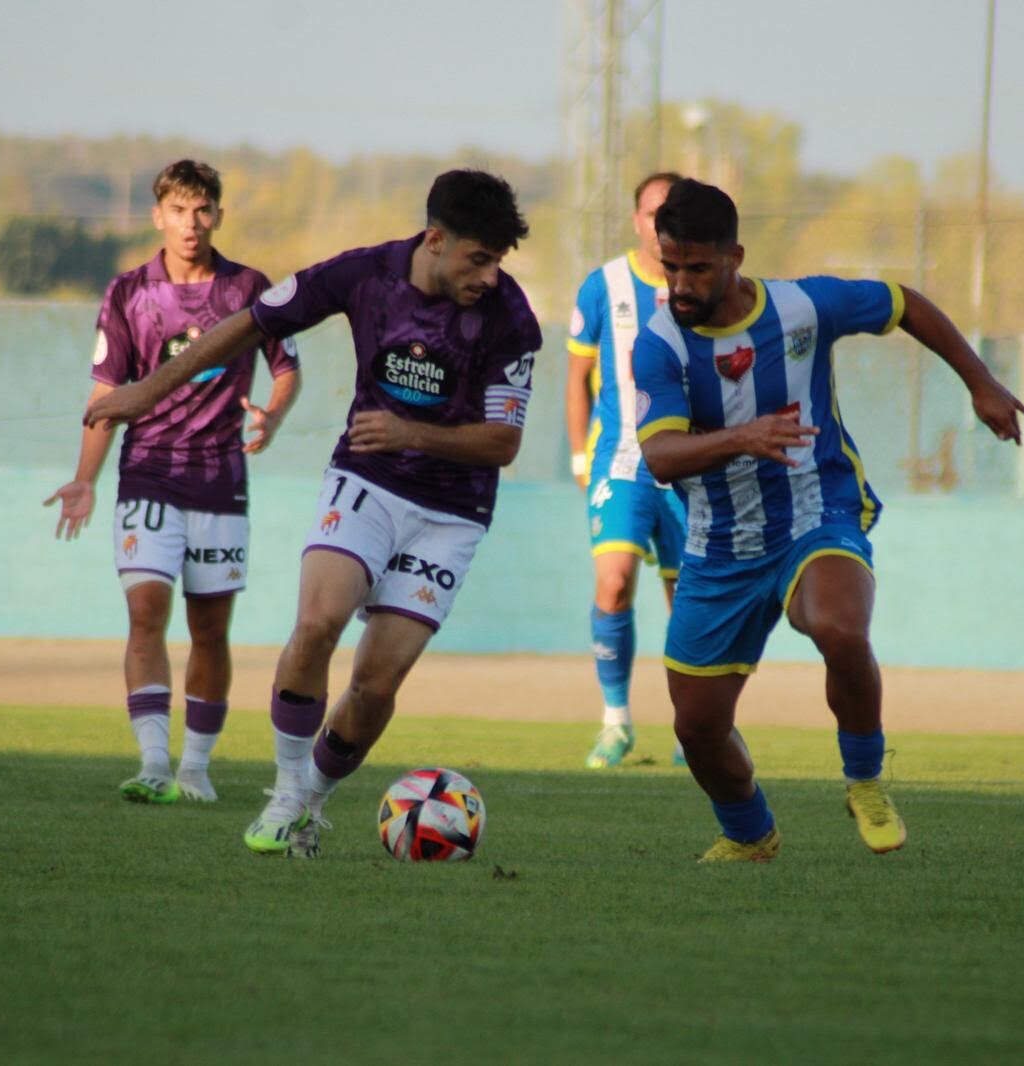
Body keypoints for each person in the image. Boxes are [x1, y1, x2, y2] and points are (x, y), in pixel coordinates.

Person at [85, 169, 541, 857]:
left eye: (498, 261)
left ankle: (311, 803)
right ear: (436, 239)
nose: (488, 276)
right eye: (478, 259)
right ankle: (287, 789)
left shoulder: (511, 320)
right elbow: (247, 325)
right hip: (366, 481)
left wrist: (412, 433)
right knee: (318, 622)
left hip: (452, 514)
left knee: (374, 684)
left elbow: (504, 443)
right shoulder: (364, 276)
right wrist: (146, 392)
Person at [632, 179, 1024, 862]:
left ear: (735, 257)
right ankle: (751, 833)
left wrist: (980, 381)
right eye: (671, 267)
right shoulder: (661, 342)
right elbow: (661, 456)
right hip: (720, 545)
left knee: (838, 625)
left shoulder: (804, 307)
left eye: (698, 268)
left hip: (818, 510)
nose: (682, 283)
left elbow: (904, 303)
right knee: (697, 728)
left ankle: (865, 780)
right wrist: (743, 437)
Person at [45, 159, 299, 805]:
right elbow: (108, 392)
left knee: (211, 630)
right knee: (146, 614)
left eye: (204, 210)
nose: (193, 223)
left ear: (218, 214)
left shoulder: (249, 289)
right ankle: (155, 762)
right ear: (158, 216)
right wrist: (84, 478)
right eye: (180, 211)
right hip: (148, 474)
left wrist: (272, 413)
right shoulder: (129, 292)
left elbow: (287, 366)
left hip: (220, 484)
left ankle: (196, 766)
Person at [565, 171, 690, 769]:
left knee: (690, 601)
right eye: (651, 212)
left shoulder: (707, 282)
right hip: (622, 460)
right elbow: (575, 377)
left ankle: (695, 728)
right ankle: (615, 723)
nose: (660, 223)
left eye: (672, 212)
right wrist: (579, 457)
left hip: (693, 464)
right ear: (637, 219)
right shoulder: (604, 285)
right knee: (613, 583)